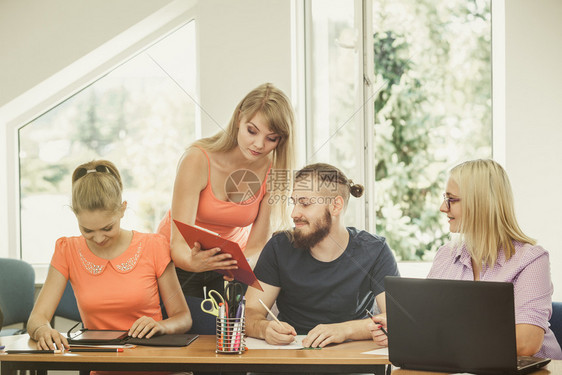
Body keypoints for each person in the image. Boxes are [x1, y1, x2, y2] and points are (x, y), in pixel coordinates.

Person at [370, 159, 562, 359]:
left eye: (451, 199)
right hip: (464, 366)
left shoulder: (530, 260)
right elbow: (426, 319)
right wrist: (402, 330)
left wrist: (436, 334)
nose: (443, 208)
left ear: (480, 203)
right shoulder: (446, 255)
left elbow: (525, 344)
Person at [27, 160, 191, 353]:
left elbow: (183, 317)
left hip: (154, 362)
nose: (98, 238)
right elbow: (36, 319)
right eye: (87, 230)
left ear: (122, 209)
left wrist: (162, 326)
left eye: (107, 228)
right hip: (102, 363)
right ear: (75, 216)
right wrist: (42, 330)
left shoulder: (153, 246)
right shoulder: (67, 250)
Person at [157, 83, 296, 298]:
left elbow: (257, 244)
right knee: (186, 326)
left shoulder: (274, 172)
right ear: (239, 118)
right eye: (252, 131)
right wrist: (194, 263)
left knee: (230, 328)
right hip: (180, 257)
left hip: (227, 264)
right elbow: (178, 243)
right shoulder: (197, 159)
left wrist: (237, 266)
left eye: (272, 138)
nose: (259, 144)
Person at [245, 163, 400, 348]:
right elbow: (250, 311)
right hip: (289, 358)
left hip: (349, 360)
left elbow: (396, 319)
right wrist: (264, 328)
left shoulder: (375, 250)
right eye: (294, 203)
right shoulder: (279, 247)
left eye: (305, 203)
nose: (294, 213)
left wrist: (344, 330)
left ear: (335, 206)